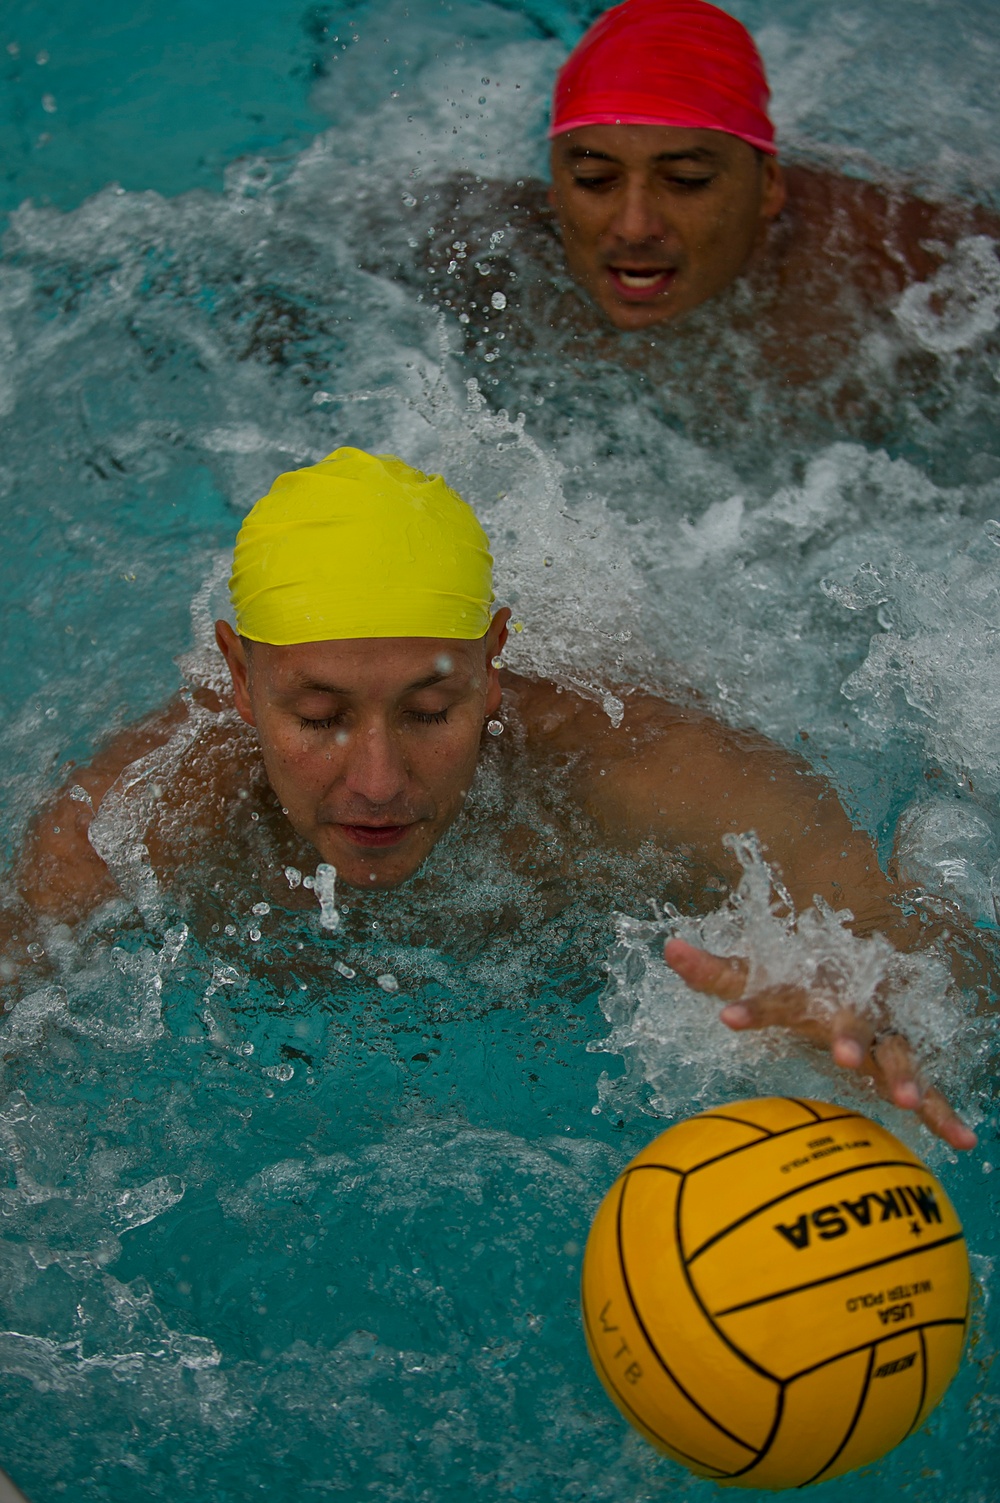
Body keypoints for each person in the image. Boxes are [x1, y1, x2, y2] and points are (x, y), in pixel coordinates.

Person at [11, 448, 980, 1150]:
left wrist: (881, 1007)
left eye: (432, 712)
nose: (379, 782)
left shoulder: (641, 773)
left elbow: (939, 958)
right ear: (236, 677)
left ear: (495, 665)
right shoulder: (131, 820)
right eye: (317, 717)